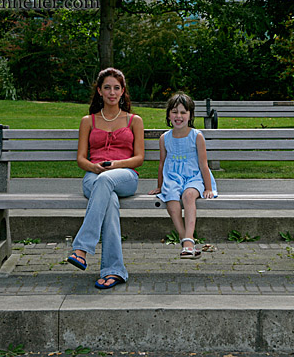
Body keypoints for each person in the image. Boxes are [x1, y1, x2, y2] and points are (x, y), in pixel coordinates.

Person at [67, 68, 145, 289]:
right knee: (108, 200)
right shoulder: (88, 121)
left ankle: (81, 248)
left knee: (106, 182)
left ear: (123, 92)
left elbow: (139, 158)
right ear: (99, 91)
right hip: (94, 176)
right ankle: (114, 271)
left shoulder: (134, 120)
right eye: (107, 87)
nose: (112, 92)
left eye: (117, 88)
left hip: (125, 176)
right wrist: (94, 167)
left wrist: (115, 165)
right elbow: (81, 158)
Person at [148, 93, 217, 259]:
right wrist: (160, 185)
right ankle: (185, 238)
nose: (178, 116)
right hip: (173, 177)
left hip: (194, 177)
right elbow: (162, 164)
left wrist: (208, 187)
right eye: (174, 112)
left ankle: (188, 240)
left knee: (188, 195)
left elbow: (203, 164)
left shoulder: (196, 136)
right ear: (168, 115)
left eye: (183, 112)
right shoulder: (165, 138)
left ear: (190, 115)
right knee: (170, 197)